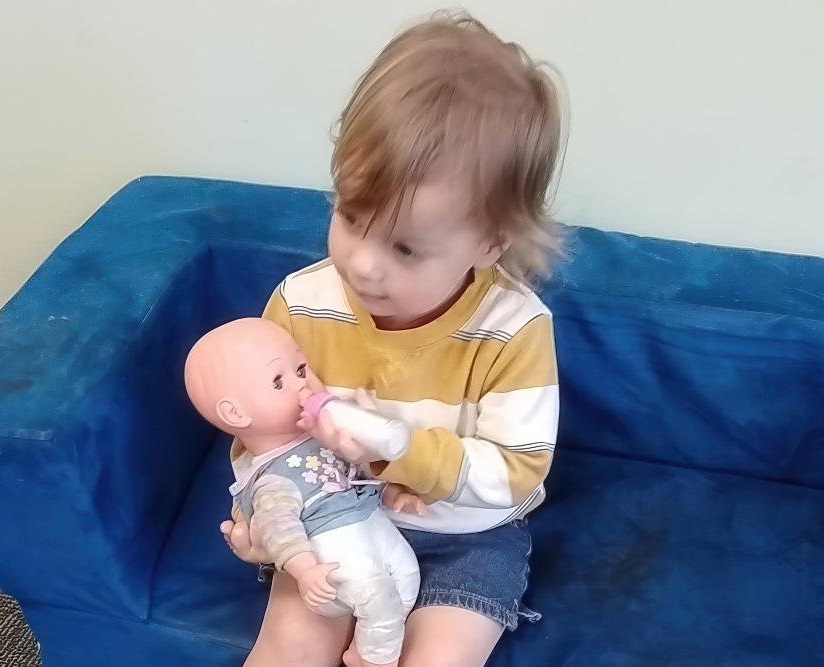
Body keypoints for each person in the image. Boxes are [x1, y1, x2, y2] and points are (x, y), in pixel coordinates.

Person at [221, 11, 564, 667]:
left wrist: (406, 456)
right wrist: (265, 516)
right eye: (351, 216)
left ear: (490, 245)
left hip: (466, 538)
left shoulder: (514, 330)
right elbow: (260, 429)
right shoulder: (302, 303)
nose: (365, 264)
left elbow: (515, 470)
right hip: (330, 517)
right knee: (288, 646)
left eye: (406, 247)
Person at [185, 318, 421, 667]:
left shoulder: (322, 436)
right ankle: (377, 660)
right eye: (279, 381)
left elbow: (356, 475)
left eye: (300, 369)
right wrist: (305, 570)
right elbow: (280, 529)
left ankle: (362, 648)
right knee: (378, 594)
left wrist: (393, 494)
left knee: (407, 576)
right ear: (235, 413)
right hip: (329, 553)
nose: (302, 386)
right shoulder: (271, 479)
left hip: (369, 521)